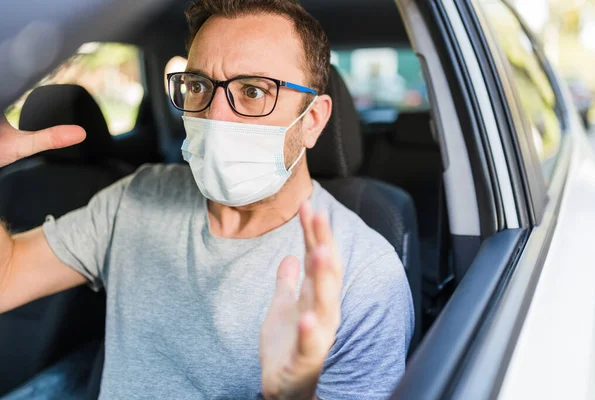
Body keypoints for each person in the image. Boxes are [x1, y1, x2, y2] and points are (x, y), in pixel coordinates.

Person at [0, 0, 414, 399]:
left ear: (314, 121)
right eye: (198, 85)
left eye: (253, 91)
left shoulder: (365, 277)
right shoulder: (139, 196)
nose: (215, 116)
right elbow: (7, 276)